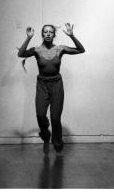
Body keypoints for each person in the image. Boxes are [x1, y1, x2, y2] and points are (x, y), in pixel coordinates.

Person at [17, 23, 85, 152]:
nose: (48, 34)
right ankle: (45, 132)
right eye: (45, 32)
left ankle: (57, 141)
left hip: (57, 85)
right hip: (42, 85)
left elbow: (81, 50)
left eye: (50, 32)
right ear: (42, 34)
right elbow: (21, 54)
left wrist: (72, 36)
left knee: (55, 117)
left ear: (54, 34)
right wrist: (28, 37)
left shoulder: (60, 49)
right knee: (40, 114)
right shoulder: (37, 50)